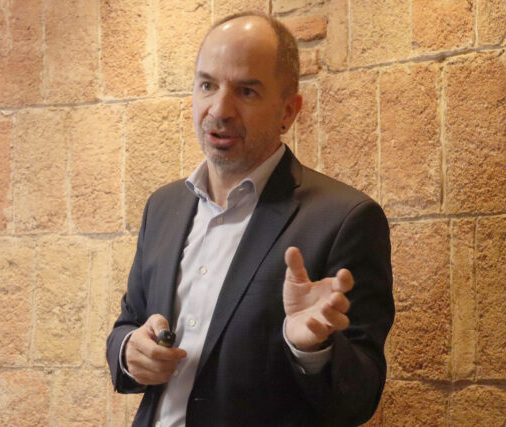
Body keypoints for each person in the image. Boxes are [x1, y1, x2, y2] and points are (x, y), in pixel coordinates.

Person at [106, 12, 394, 427]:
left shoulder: (345, 220)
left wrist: (310, 348)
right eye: (207, 85)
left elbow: (359, 398)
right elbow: (128, 322)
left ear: (288, 111)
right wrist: (129, 351)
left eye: (246, 91)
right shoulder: (163, 207)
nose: (219, 109)